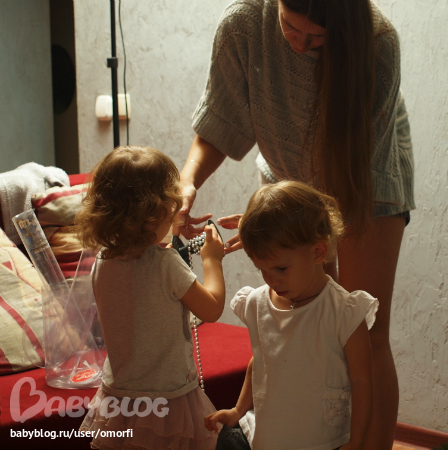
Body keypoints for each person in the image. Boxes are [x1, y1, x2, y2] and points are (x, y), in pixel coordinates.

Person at [178, 0, 415, 447]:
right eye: (290, 26)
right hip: (286, 179)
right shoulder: (243, 24)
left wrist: (290, 223)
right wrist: (187, 181)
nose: (300, 45)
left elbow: (350, 167)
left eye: (317, 38)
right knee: (301, 321)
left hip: (365, 181)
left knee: (363, 331)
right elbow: (220, 119)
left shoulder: (377, 43)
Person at [204, 181, 378, 450]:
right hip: (267, 437)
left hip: (323, 442)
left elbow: (362, 381)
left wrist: (356, 443)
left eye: (281, 269)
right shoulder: (257, 303)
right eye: (262, 270)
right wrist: (238, 410)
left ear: (318, 252)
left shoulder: (344, 311)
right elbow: (258, 363)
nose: (271, 280)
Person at [75, 146, 226, 450]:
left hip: (119, 396)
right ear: (158, 212)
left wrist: (168, 228)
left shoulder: (102, 260)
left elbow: (141, 272)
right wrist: (212, 260)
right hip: (168, 398)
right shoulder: (166, 264)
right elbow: (211, 309)